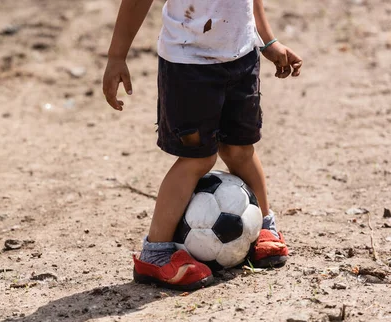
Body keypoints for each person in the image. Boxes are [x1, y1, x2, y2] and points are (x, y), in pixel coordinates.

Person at [103, 0, 302, 291]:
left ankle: (263, 228)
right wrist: (116, 56)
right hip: (188, 64)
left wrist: (267, 40)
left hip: (242, 57)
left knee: (240, 150)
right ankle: (155, 254)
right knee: (198, 158)